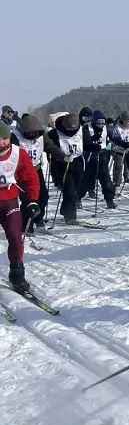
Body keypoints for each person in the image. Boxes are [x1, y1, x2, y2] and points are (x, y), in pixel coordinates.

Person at [0, 123, 41, 292]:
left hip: (9, 200)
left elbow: (31, 178)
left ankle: (17, 274)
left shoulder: (18, 153)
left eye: (5, 138)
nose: (2, 143)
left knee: (16, 237)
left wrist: (32, 200)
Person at [11, 115, 51, 232]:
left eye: (35, 132)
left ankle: (37, 217)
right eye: (30, 133)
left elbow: (50, 146)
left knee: (43, 196)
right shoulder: (15, 137)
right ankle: (26, 225)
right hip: (21, 172)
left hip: (36, 169)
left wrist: (61, 155)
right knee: (28, 199)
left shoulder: (41, 136)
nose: (33, 135)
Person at [47, 113, 84, 224]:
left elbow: (87, 143)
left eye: (73, 130)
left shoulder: (82, 131)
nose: (71, 132)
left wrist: (94, 146)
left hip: (77, 162)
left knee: (75, 189)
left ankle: (65, 209)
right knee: (69, 190)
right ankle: (70, 216)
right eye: (68, 130)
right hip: (62, 164)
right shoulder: (54, 133)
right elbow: (49, 148)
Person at [80, 110, 116, 209]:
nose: (101, 125)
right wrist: (93, 143)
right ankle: (77, 199)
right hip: (91, 155)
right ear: (94, 121)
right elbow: (85, 142)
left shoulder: (106, 128)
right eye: (98, 122)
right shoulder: (87, 128)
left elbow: (113, 137)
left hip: (103, 154)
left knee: (106, 179)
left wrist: (122, 143)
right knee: (86, 179)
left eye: (102, 122)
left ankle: (109, 200)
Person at [109, 112, 129, 190]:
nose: (127, 122)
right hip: (119, 151)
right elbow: (113, 139)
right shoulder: (117, 127)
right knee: (118, 166)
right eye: (125, 120)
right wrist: (113, 148)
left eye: (128, 120)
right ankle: (116, 183)